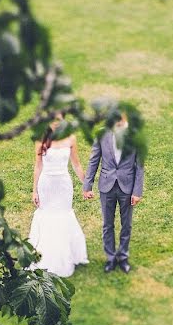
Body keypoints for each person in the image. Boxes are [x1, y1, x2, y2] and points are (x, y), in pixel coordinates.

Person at [28, 114, 89, 277]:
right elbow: (38, 166)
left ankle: (65, 256)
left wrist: (86, 184)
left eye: (58, 118)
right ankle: (44, 257)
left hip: (63, 185)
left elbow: (76, 164)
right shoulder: (40, 138)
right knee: (47, 216)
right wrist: (34, 190)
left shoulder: (70, 138)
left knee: (63, 216)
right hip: (46, 184)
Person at [82, 113, 144, 273]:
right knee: (107, 224)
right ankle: (110, 258)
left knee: (127, 225)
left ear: (125, 119)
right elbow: (94, 160)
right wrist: (87, 185)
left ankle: (123, 257)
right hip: (106, 186)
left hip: (127, 187)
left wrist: (137, 191)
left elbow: (140, 166)